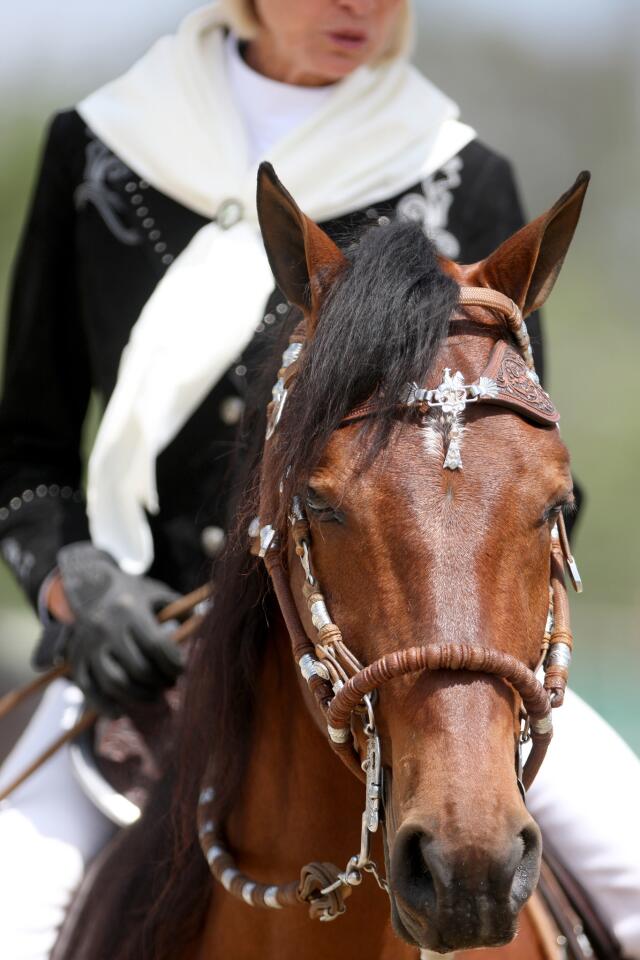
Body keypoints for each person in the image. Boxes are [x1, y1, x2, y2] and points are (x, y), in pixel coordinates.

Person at [0, 1, 638, 958]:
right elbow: (25, 455)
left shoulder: (467, 175)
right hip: (141, 655)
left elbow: (520, 480)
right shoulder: (98, 151)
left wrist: (463, 657)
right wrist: (76, 590)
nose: (362, 8)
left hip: (424, 654)